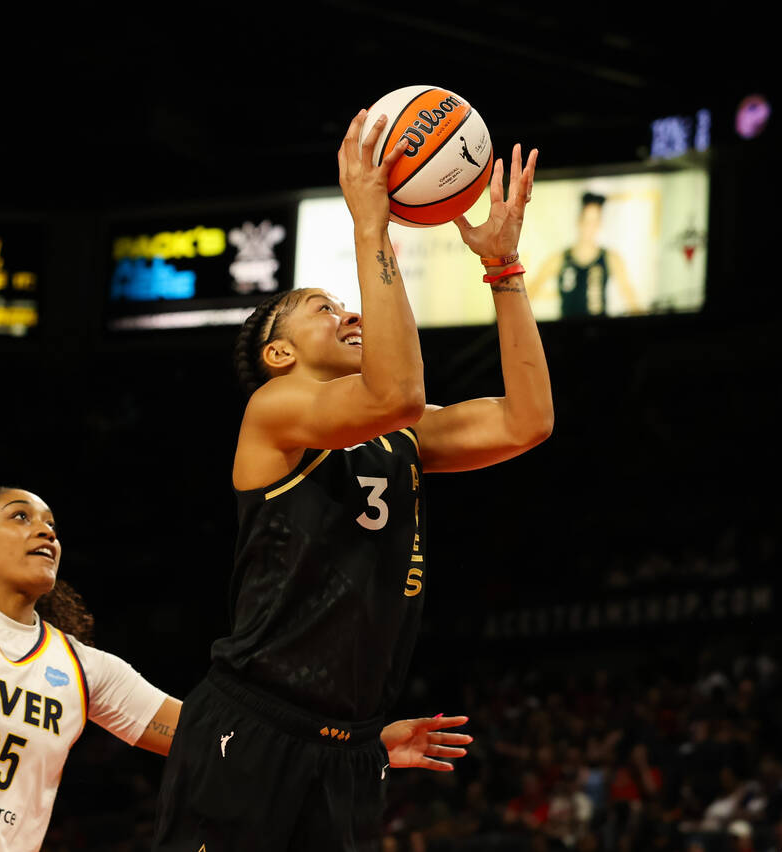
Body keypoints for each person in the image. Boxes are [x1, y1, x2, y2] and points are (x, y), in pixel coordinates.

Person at [0, 405, 475, 852]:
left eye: (51, 523)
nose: (44, 531)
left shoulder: (83, 667)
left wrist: (359, 743)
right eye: (20, 517)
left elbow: (223, 747)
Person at [152, 109, 553, 851]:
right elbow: (394, 392)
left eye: (343, 303)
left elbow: (525, 422)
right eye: (321, 309)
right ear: (278, 355)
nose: (347, 311)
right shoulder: (274, 410)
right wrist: (371, 227)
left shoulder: (398, 430)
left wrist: (503, 269)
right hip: (253, 722)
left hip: (350, 747)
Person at [527, 191, 640, 317]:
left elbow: (632, 301)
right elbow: (528, 295)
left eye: (595, 221)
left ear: (600, 224)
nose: (590, 227)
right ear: (579, 221)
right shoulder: (559, 259)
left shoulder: (611, 258)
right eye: (587, 220)